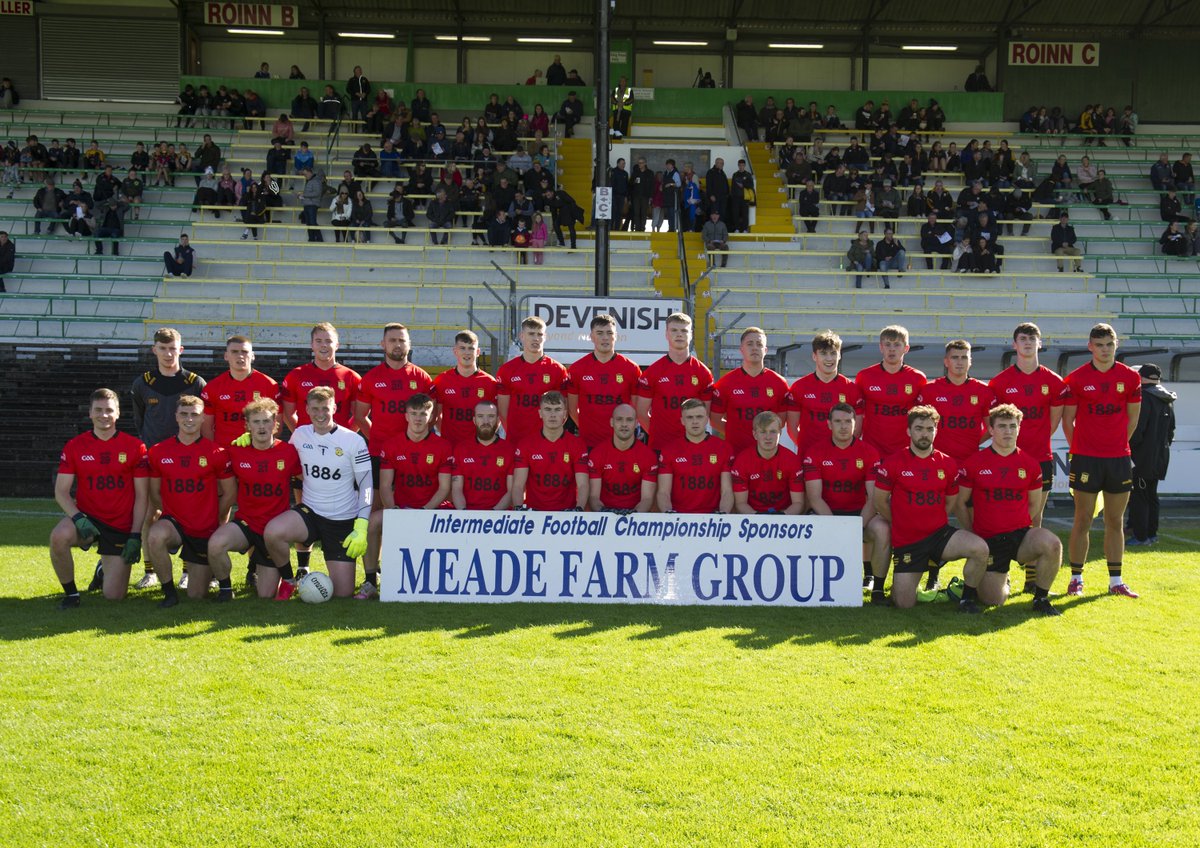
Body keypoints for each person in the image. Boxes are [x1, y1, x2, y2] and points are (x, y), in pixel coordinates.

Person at [873, 406, 988, 610]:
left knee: (980, 548)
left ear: (936, 431)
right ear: (909, 431)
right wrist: (898, 522)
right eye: (918, 428)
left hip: (938, 535)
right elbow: (880, 501)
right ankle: (923, 566)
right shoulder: (893, 462)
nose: (924, 433)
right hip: (908, 541)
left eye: (929, 428)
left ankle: (966, 599)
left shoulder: (948, 464)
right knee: (903, 603)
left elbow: (950, 501)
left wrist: (934, 520)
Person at [263, 387, 372, 599]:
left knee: (343, 593)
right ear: (306, 409)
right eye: (315, 409)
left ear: (335, 408)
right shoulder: (300, 434)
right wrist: (248, 442)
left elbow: (366, 484)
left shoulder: (353, 440)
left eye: (325, 408)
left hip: (342, 519)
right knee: (273, 532)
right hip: (310, 513)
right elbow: (283, 458)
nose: (320, 414)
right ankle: (288, 580)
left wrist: (362, 523)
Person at [955, 405, 1063, 615]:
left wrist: (1017, 523)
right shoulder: (974, 462)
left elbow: (1034, 504)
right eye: (1002, 426)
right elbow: (961, 503)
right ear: (991, 430)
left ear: (1019, 429)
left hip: (1020, 536)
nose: (1007, 431)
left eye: (1012, 426)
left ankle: (1041, 599)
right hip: (988, 539)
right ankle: (999, 579)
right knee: (993, 600)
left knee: (1053, 544)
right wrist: (973, 533)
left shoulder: (1030, 464)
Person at [1061, 324, 1142, 598]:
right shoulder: (1075, 378)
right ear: (1090, 347)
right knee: (1082, 519)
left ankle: (1115, 581)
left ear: (1116, 345)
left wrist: (1115, 444)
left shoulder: (1130, 378)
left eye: (1109, 344)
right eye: (1099, 345)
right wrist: (1081, 449)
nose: (1105, 349)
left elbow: (1132, 420)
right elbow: (1067, 420)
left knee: (1115, 520)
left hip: (1118, 459)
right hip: (1086, 459)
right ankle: (1076, 578)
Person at [51, 389, 150, 608]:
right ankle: (71, 595)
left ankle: (102, 570)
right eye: (98, 410)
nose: (103, 415)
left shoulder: (135, 447)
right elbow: (61, 491)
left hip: (120, 524)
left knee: (114, 596)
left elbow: (143, 496)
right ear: (90, 413)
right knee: (58, 537)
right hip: (88, 518)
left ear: (118, 414)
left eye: (108, 410)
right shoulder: (75, 446)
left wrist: (135, 535)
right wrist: (78, 518)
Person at [988, 323, 1066, 588]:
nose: (1028, 342)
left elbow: (1053, 424)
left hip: (1040, 459)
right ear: (1014, 345)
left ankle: (1032, 578)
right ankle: (1002, 568)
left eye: (1033, 338)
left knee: (1034, 518)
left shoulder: (1054, 382)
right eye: (1023, 339)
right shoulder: (1000, 383)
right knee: (1002, 514)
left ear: (1040, 343)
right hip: (1006, 461)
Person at [145, 395, 236, 607]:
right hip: (175, 523)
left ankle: (217, 581)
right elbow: (154, 493)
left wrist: (215, 517)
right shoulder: (158, 451)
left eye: (194, 414)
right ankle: (169, 593)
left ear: (203, 417)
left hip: (204, 527)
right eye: (184, 414)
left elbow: (230, 493)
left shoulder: (217, 452)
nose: (189, 419)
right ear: (176, 416)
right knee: (156, 535)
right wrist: (168, 511)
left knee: (197, 595)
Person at [360, 393, 454, 597]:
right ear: (406, 416)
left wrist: (424, 510)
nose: (418, 418)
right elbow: (385, 485)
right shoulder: (392, 445)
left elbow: (444, 488)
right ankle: (370, 581)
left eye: (423, 413)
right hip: (401, 508)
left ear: (431, 417)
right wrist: (392, 509)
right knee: (372, 523)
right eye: (414, 413)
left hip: (434, 509)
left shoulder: (443, 446)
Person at [207, 398, 302, 599]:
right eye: (256, 422)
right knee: (215, 544)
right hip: (247, 523)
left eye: (266, 421)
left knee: (266, 595)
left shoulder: (289, 452)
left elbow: (306, 479)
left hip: (274, 528)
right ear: (247, 425)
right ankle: (225, 589)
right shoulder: (235, 451)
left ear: (275, 425)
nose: (261, 426)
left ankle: (281, 575)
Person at [803, 402, 890, 600]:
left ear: (855, 424)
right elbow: (814, 498)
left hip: (860, 515)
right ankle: (813, 582)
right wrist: (838, 528)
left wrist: (856, 526)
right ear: (829, 424)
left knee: (883, 528)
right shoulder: (815, 452)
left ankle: (877, 587)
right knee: (807, 525)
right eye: (838, 421)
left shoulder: (869, 452)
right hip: (827, 515)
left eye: (848, 421)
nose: (843, 426)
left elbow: (873, 498)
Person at [636, 312, 715, 451]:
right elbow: (641, 412)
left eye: (684, 330)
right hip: (660, 447)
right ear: (666, 334)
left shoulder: (703, 373)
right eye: (674, 330)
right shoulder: (653, 372)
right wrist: (658, 434)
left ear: (691, 335)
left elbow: (705, 413)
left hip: (692, 447)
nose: (679, 334)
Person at [709, 327, 790, 456]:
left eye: (759, 344)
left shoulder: (779, 383)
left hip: (767, 455)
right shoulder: (726, 383)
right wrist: (735, 432)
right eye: (749, 344)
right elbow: (715, 420)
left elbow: (781, 420)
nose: (754, 348)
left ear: (765, 350)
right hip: (735, 453)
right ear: (741, 349)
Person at [567, 313, 643, 449]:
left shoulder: (631, 369)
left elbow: (636, 408)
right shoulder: (577, 369)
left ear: (616, 336)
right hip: (588, 443)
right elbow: (572, 409)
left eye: (609, 333)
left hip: (621, 444)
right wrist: (587, 427)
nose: (605, 337)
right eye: (600, 333)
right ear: (591, 336)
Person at [855, 325, 927, 460]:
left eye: (897, 344)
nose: (892, 349)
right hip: (872, 450)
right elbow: (857, 414)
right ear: (881, 347)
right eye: (887, 344)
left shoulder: (918, 378)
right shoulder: (864, 376)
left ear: (906, 348)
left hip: (906, 451)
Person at [497, 316, 569, 446]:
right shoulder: (507, 370)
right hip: (516, 441)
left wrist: (550, 434)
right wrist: (515, 433)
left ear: (545, 337)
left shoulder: (557, 370)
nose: (536, 338)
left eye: (539, 334)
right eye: (531, 334)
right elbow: (502, 411)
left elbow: (564, 411)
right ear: (522, 336)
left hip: (547, 442)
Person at [918, 340, 993, 464]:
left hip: (970, 460)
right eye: (954, 357)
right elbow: (918, 426)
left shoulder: (983, 391)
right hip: (936, 461)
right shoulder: (929, 390)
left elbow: (992, 428)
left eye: (964, 357)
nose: (959, 362)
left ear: (970, 362)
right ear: (946, 361)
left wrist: (974, 442)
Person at [280, 323, 361, 436]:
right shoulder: (295, 376)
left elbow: (359, 416)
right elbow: (288, 414)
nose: (323, 345)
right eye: (318, 341)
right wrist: (302, 435)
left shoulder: (351, 377)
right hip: (306, 443)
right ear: (312, 345)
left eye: (328, 341)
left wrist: (346, 436)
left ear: (337, 345)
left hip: (339, 445)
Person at [512, 391, 589, 511]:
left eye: (557, 409)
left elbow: (583, 485)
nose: (552, 414)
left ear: (565, 414)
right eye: (548, 409)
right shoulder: (525, 444)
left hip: (567, 514)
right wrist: (518, 509)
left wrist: (579, 509)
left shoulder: (577, 444)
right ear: (540, 413)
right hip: (534, 514)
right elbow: (518, 486)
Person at [1127, 364, 1176, 547]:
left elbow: (1137, 430)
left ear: (1141, 377)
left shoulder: (1144, 397)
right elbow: (1171, 431)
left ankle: (1140, 536)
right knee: (1151, 495)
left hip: (1141, 458)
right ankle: (1151, 533)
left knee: (1139, 496)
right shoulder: (1166, 398)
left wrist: (1129, 449)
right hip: (1161, 457)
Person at [200, 335, 280, 448]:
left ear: (252, 356)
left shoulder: (269, 385)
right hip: (224, 450)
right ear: (226, 356)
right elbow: (206, 428)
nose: (240, 356)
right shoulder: (213, 387)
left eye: (244, 352)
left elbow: (277, 425)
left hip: (256, 450)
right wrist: (215, 452)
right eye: (234, 352)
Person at [657, 399, 734, 514]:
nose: (695, 422)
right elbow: (663, 492)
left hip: (713, 517)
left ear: (707, 419)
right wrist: (668, 513)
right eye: (689, 417)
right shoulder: (669, 450)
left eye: (699, 417)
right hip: (679, 516)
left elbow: (727, 491)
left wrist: (722, 514)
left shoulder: (724, 448)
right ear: (682, 421)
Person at [431, 330, 502, 448]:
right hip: (450, 446)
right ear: (455, 351)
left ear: (478, 352)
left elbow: (497, 417)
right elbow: (436, 415)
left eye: (471, 348)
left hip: (478, 447)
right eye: (462, 348)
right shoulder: (442, 380)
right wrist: (445, 434)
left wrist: (485, 436)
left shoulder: (489, 382)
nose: (467, 352)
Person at [586, 404, 658, 513]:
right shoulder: (598, 453)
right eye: (619, 419)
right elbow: (593, 497)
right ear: (611, 422)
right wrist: (607, 514)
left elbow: (647, 499)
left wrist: (632, 515)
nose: (624, 424)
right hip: (604, 516)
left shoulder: (648, 456)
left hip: (635, 518)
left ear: (636, 423)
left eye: (629, 420)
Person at [730, 412, 805, 516]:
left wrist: (782, 516)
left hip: (785, 517)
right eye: (763, 432)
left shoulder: (792, 460)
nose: (768, 437)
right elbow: (740, 503)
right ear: (755, 434)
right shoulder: (742, 461)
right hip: (752, 518)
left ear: (780, 433)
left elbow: (798, 503)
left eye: (773, 432)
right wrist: (757, 517)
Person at [451, 400, 515, 511]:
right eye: (480, 416)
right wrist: (464, 512)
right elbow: (456, 489)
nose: (486, 421)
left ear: (498, 421)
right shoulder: (461, 449)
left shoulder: (510, 450)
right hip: (468, 515)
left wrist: (493, 514)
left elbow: (512, 491)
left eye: (491, 416)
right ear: (474, 420)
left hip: (500, 516)